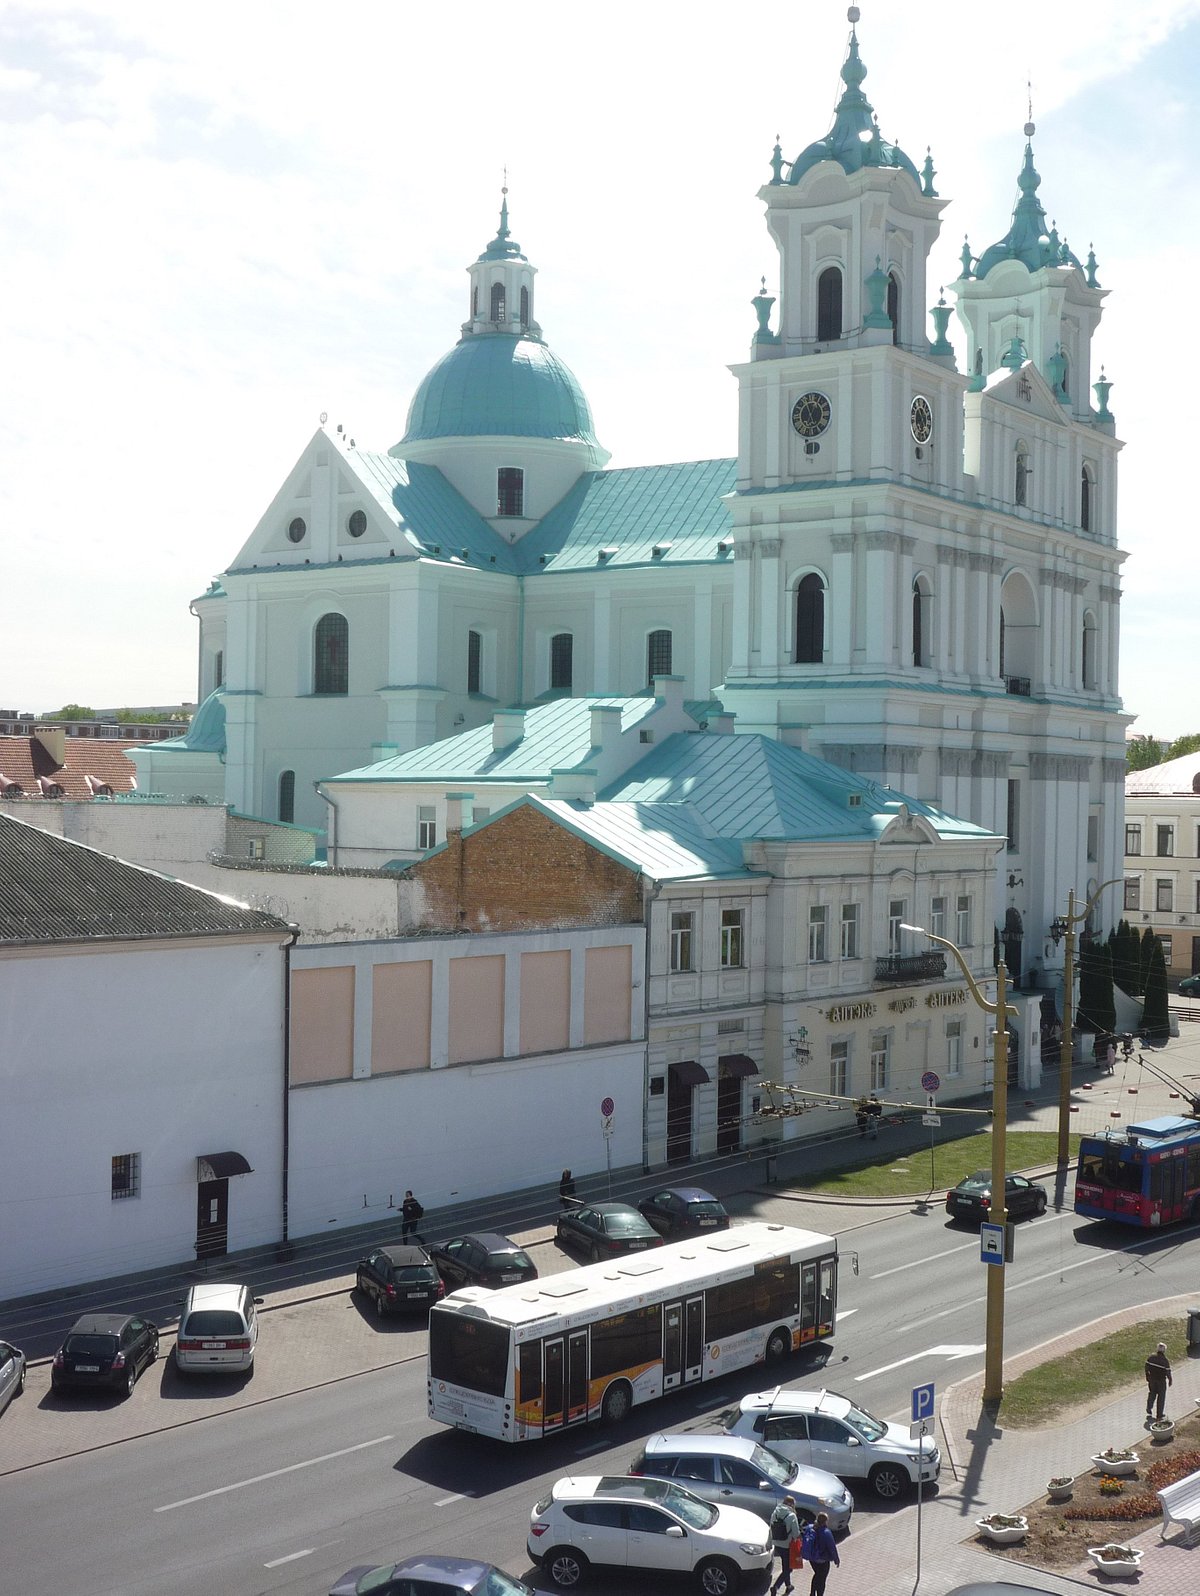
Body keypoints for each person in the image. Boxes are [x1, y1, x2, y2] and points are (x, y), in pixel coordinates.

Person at [768, 1495, 801, 1595]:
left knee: (785, 1567)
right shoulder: (791, 1516)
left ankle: (788, 1586)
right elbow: (796, 1533)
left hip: (777, 1543)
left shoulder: (775, 1512)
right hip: (787, 1545)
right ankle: (776, 1587)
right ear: (791, 1504)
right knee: (789, 1569)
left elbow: (771, 1527)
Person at [803, 1511, 840, 1596]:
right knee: (822, 1579)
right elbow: (832, 1547)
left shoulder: (809, 1528)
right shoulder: (826, 1532)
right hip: (822, 1559)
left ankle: (812, 1593)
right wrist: (836, 1559)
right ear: (825, 1521)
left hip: (812, 1558)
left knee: (817, 1574)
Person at [1145, 1341, 1172, 1422]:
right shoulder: (1165, 1361)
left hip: (1152, 1380)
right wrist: (1170, 1379)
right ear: (1164, 1351)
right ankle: (1159, 1415)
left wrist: (1147, 1375)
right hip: (1161, 1381)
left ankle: (1149, 1408)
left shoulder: (1151, 1357)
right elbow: (1168, 1372)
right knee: (1161, 1397)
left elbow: (1146, 1367)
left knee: (1152, 1393)